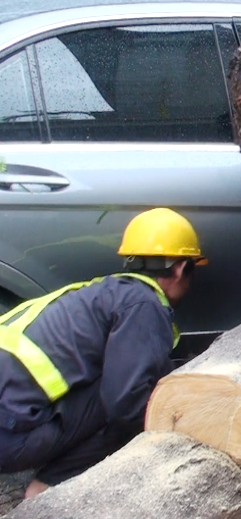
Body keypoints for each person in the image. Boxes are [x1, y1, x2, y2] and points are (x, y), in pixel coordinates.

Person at [0, 208, 207, 499]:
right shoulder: (143, 305)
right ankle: (46, 487)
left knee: (120, 384)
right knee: (132, 402)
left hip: (7, 423)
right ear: (181, 268)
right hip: (9, 439)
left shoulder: (99, 294)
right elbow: (124, 405)